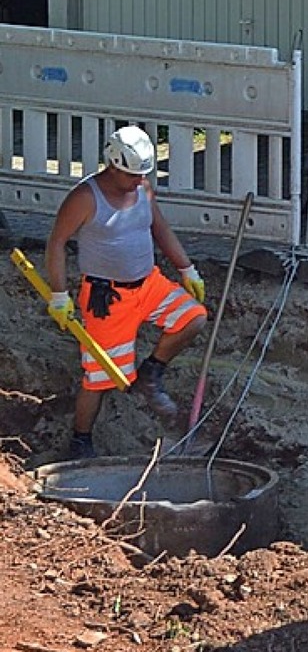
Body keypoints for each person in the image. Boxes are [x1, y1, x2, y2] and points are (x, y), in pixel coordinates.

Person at [45, 125, 208, 458]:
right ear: (114, 166)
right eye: (132, 175)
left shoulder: (143, 188)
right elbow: (57, 243)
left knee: (193, 318)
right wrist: (59, 294)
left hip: (148, 284)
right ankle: (80, 440)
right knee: (101, 376)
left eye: (142, 174)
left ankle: (151, 372)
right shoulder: (85, 197)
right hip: (108, 298)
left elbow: (159, 227)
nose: (138, 181)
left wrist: (186, 268)